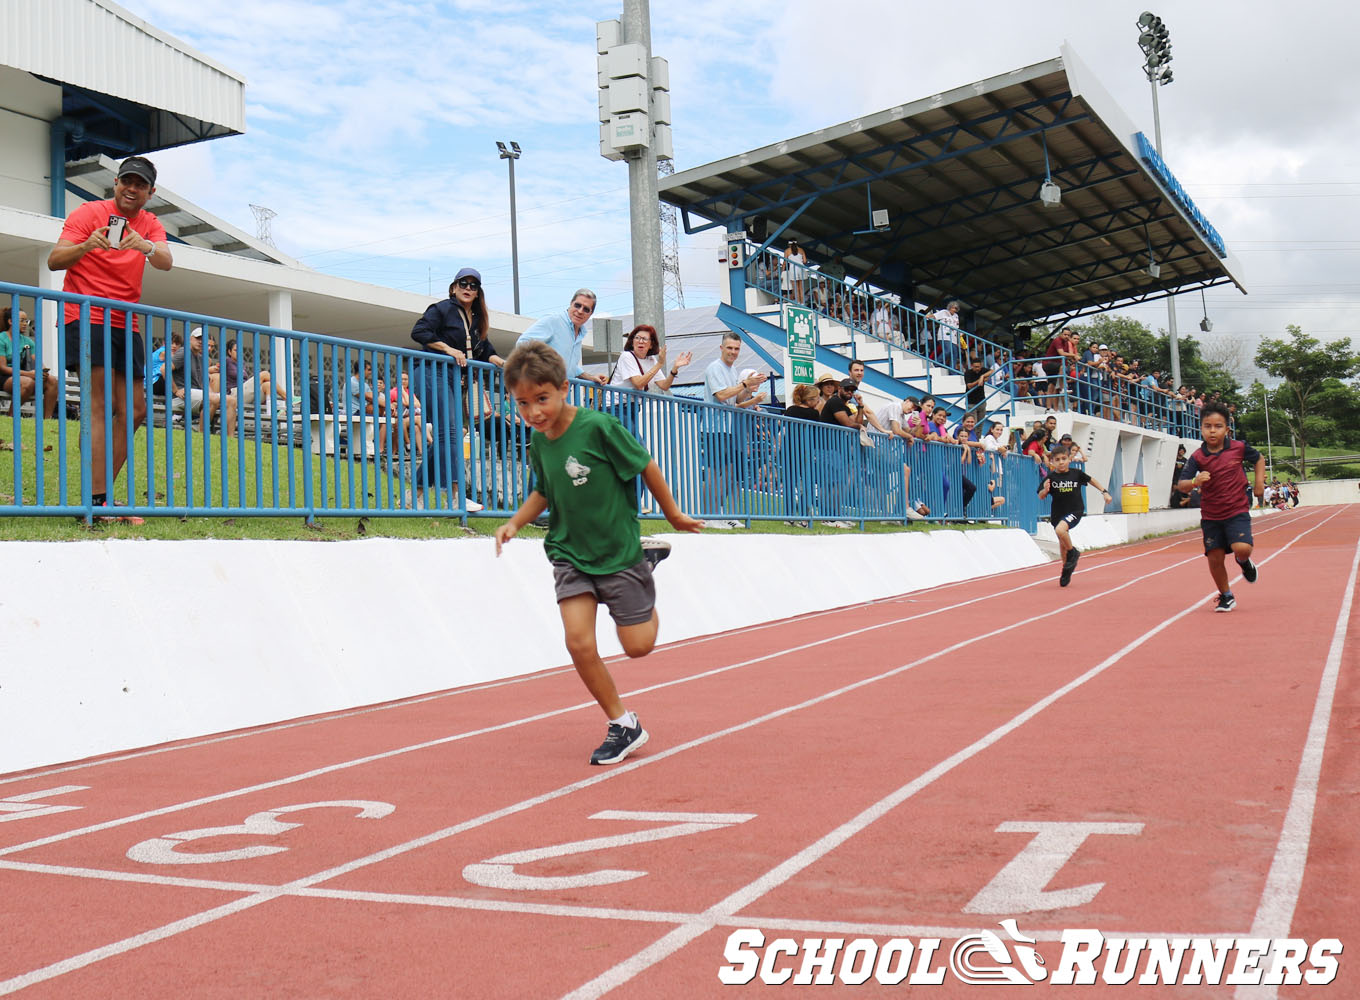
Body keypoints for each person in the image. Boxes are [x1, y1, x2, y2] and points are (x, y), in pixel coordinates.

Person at [494, 341, 701, 764]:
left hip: (618, 552)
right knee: (578, 642)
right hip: (570, 553)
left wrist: (674, 514)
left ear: (564, 388)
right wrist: (515, 522)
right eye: (523, 403)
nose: (533, 412)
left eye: (542, 399)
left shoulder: (599, 427)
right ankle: (623, 723)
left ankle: (646, 565)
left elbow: (646, 465)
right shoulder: (538, 444)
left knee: (638, 647)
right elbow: (543, 490)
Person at [47, 155, 171, 521]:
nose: (131, 189)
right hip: (86, 314)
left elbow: (165, 260)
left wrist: (142, 245)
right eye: (125, 181)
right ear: (115, 183)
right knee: (98, 406)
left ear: (150, 192)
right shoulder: (89, 213)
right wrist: (88, 245)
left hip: (125, 320)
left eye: (140, 185)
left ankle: (97, 498)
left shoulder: (149, 223)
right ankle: (99, 503)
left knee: (136, 409)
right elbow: (55, 260)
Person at [411, 268, 504, 510]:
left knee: (449, 434)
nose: (468, 288)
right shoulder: (442, 309)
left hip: (454, 378)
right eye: (463, 283)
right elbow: (419, 332)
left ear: (478, 293)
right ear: (454, 287)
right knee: (450, 432)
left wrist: (503, 363)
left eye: (473, 285)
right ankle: (456, 497)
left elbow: (486, 351)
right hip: (432, 370)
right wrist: (447, 349)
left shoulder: (476, 320)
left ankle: (415, 495)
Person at [1176, 401, 1265, 612]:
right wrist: (1195, 482)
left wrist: (1259, 483)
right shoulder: (1197, 457)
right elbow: (1182, 485)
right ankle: (1226, 595)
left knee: (1242, 548)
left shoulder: (1239, 448)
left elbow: (1259, 459)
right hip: (1211, 514)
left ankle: (1243, 562)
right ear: (1201, 428)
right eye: (1208, 426)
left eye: (1218, 426)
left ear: (1227, 429)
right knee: (1214, 557)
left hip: (1236, 509)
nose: (1212, 431)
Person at [702, 332, 767, 517]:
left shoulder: (732, 370)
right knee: (715, 472)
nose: (733, 352)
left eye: (736, 349)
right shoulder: (715, 368)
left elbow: (735, 398)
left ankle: (720, 512)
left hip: (726, 428)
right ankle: (709, 514)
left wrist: (749, 389)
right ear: (722, 348)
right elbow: (721, 395)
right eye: (729, 348)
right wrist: (745, 384)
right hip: (713, 428)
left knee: (730, 471)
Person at [1039, 445, 1113, 587]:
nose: (1061, 462)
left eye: (1064, 459)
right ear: (1052, 462)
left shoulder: (1076, 474)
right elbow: (1040, 495)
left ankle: (1073, 552)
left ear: (1069, 459)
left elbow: (1092, 480)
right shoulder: (1051, 477)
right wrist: (1045, 490)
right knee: (1062, 545)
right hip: (1057, 513)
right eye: (1057, 460)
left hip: (1074, 510)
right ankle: (1067, 569)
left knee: (1060, 531)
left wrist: (1104, 492)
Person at [515, 289, 608, 385]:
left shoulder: (580, 333)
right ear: (571, 303)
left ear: (590, 314)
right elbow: (522, 344)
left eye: (586, 309)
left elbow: (570, 367)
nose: (580, 311)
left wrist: (591, 377)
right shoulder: (553, 320)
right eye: (577, 305)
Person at [220, 337, 292, 436]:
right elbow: (214, 369)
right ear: (229, 352)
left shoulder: (242, 364)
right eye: (236, 350)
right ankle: (288, 398)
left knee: (268, 385)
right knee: (265, 374)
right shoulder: (226, 361)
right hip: (234, 394)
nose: (239, 353)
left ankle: (273, 413)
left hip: (244, 393)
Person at [0, 308, 60, 419]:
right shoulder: (2, 338)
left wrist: (43, 371)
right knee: (27, 382)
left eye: (26, 321)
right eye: (22, 320)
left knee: (52, 380)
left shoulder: (28, 341)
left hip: (24, 375)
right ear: (10, 321)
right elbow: (2, 368)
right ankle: (11, 417)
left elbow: (37, 361)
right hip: (5, 376)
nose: (25, 324)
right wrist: (29, 374)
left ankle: (47, 420)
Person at [609, 324, 691, 394]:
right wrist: (659, 364)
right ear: (632, 342)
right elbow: (638, 383)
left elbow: (664, 386)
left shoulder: (651, 359)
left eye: (644, 339)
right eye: (637, 338)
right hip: (616, 406)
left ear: (651, 345)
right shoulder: (627, 356)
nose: (640, 341)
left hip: (633, 406)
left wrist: (675, 368)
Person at [169, 328, 221, 433]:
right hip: (182, 396)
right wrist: (176, 390)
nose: (201, 341)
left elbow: (204, 383)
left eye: (203, 339)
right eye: (198, 338)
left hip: (197, 394)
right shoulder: (184, 352)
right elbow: (164, 369)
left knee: (231, 401)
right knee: (213, 399)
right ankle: (201, 433)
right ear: (190, 339)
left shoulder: (202, 358)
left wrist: (213, 394)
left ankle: (229, 439)